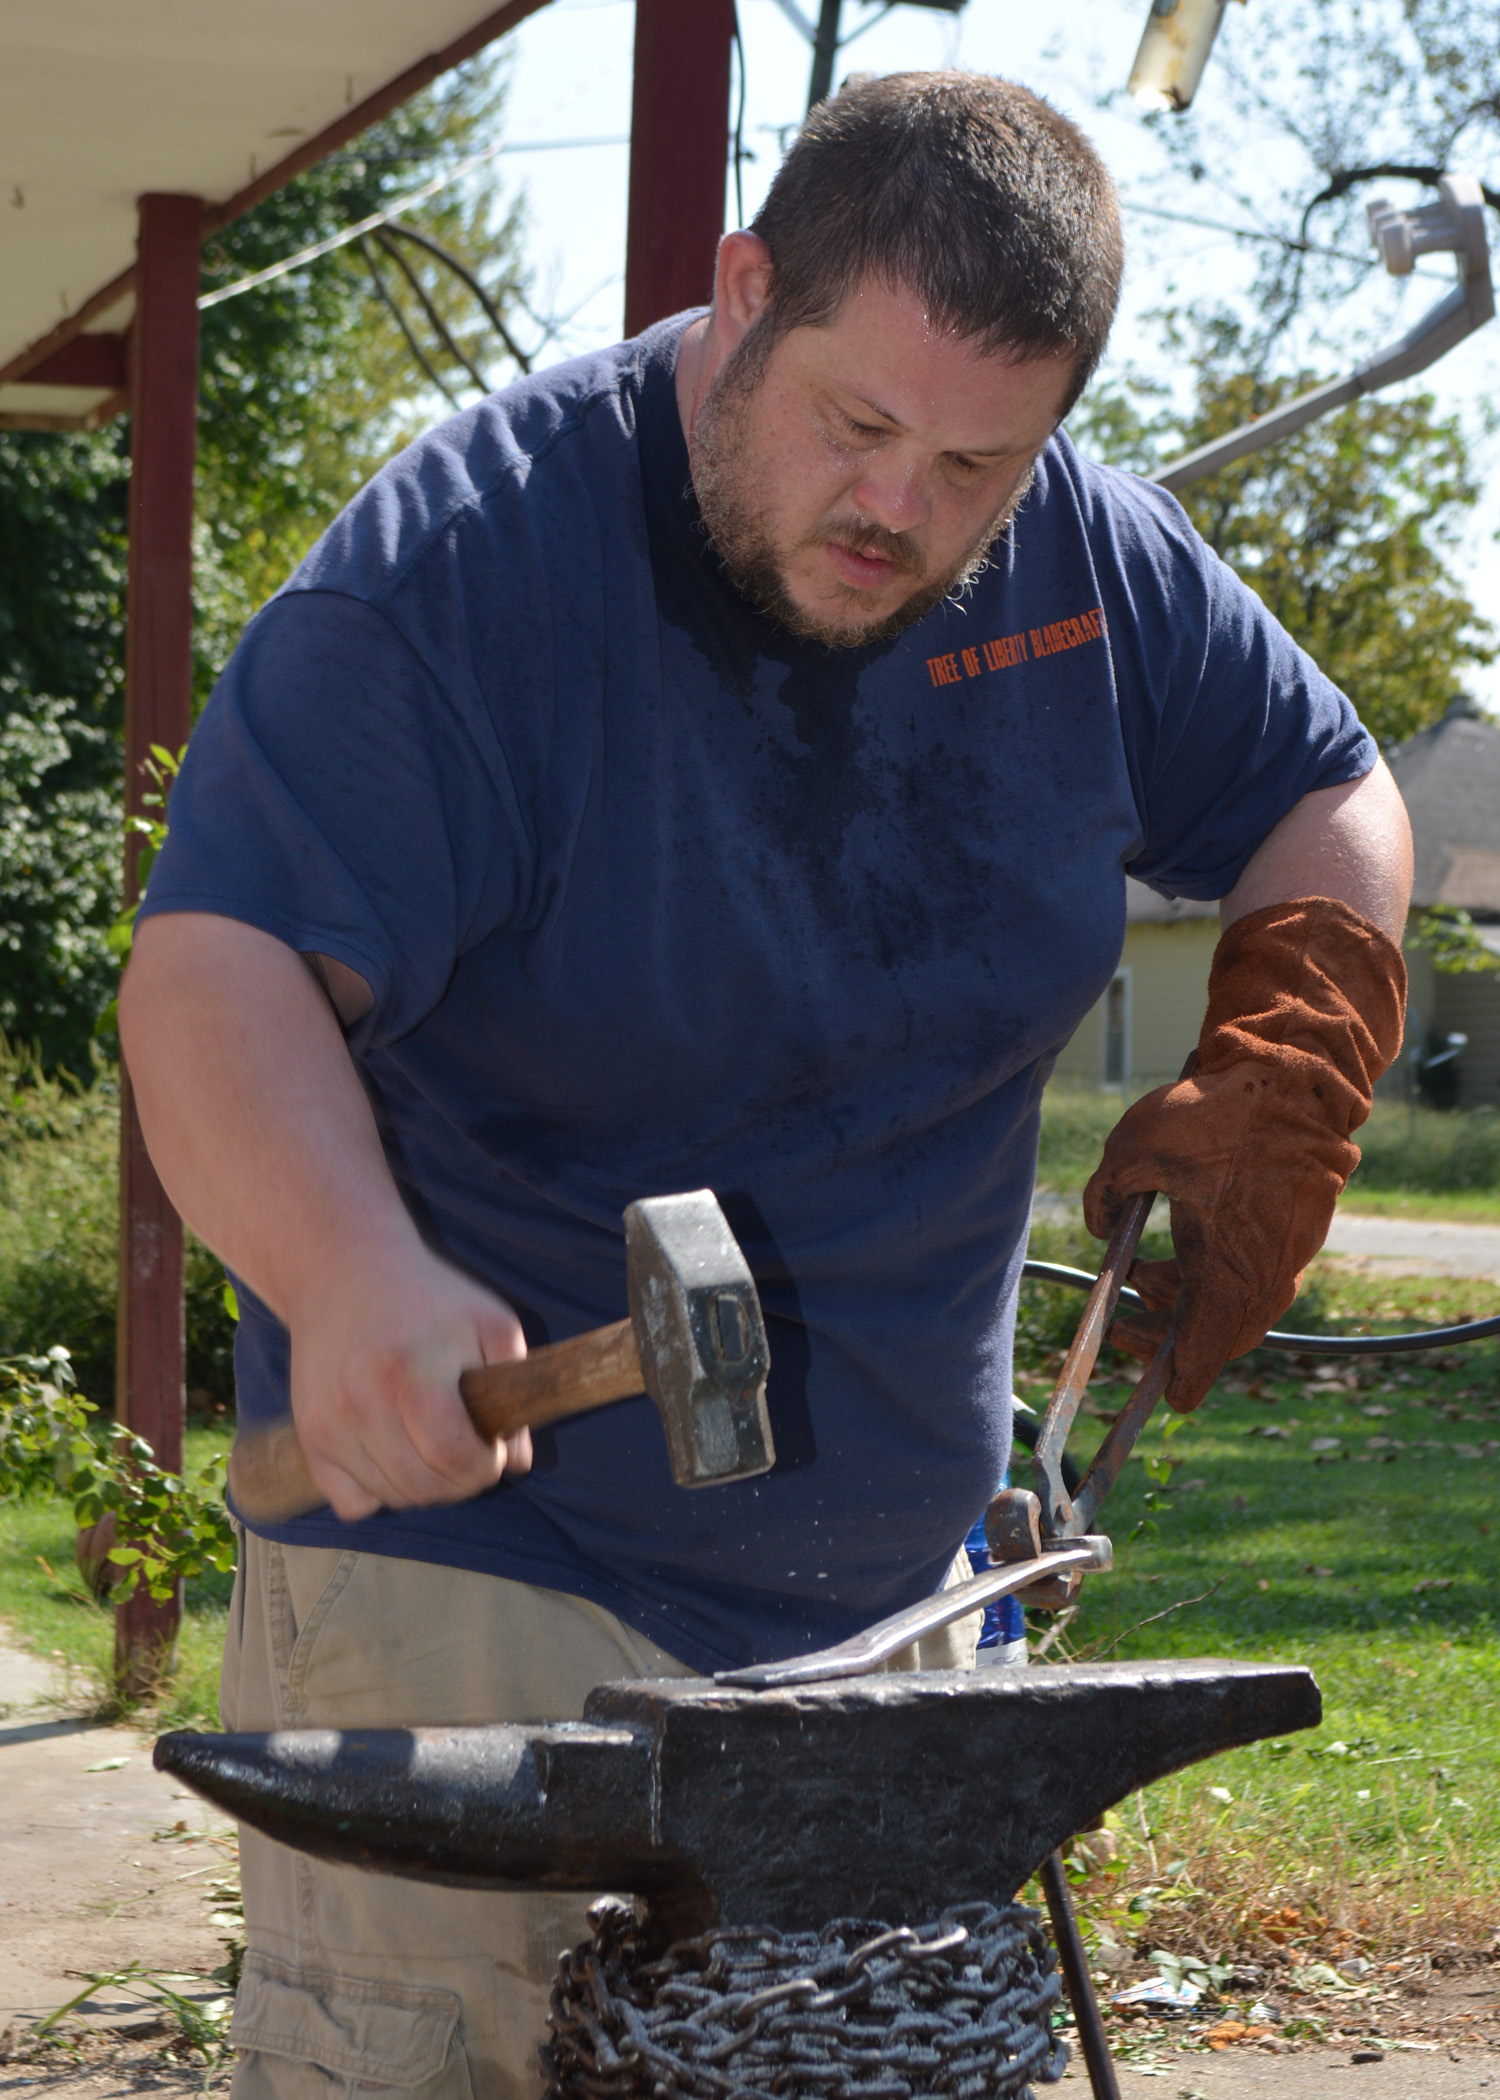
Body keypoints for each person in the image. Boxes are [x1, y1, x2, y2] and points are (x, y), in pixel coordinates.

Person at [119, 70, 1411, 2100]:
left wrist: (1306, 1023)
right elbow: (215, 974)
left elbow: (1329, 789)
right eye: (856, 425)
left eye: (979, 461)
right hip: (491, 1589)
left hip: (900, 1615)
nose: (902, 508)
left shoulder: (1083, 563)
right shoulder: (461, 577)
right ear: (742, 293)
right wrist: (345, 1264)